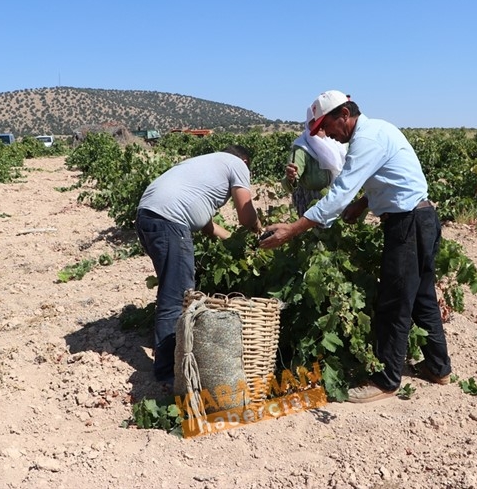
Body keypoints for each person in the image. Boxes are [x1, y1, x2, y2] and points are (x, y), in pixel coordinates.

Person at [260, 90, 452, 403]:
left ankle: (386, 381)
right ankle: (438, 367)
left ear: (344, 115)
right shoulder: (379, 130)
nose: (325, 134)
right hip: (422, 218)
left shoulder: (366, 140)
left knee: (394, 301)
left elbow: (338, 195)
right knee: (421, 296)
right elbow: (391, 176)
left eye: (326, 126)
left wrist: (291, 231)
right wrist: (364, 203)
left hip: (407, 224)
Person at [136, 146, 261, 385]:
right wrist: (260, 232)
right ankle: (168, 374)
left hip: (148, 217)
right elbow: (246, 216)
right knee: (178, 296)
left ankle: (169, 359)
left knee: (171, 289)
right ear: (245, 161)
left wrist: (237, 244)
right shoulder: (237, 165)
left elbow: (208, 226)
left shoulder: (206, 165)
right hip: (170, 221)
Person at [281, 106, 347, 216]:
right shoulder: (302, 148)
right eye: (314, 122)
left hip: (336, 201)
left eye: (321, 121)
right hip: (311, 205)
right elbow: (290, 181)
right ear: (308, 124)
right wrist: (291, 178)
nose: (319, 125)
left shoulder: (338, 144)